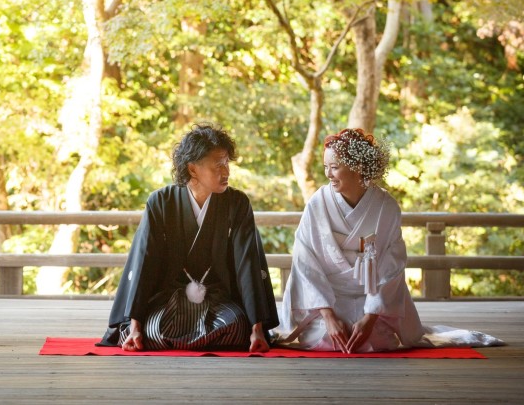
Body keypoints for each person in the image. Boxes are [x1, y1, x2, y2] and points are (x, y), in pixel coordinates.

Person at [273, 128, 503, 352]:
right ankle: (331, 320)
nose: (328, 174)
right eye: (325, 167)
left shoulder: (386, 207)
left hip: (371, 298)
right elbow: (305, 261)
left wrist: (370, 317)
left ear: (358, 167)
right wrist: (328, 316)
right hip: (328, 299)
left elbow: (391, 266)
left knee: (374, 337)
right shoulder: (318, 204)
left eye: (334, 167)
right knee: (324, 335)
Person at [97, 124, 279, 352]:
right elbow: (144, 261)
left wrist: (256, 328)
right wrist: (135, 326)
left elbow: (247, 263)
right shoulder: (161, 202)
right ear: (192, 169)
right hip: (169, 299)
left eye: (227, 163)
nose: (226, 172)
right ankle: (178, 335)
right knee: (152, 330)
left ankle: (188, 338)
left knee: (237, 326)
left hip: (218, 300)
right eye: (218, 165)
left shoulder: (237, 203)